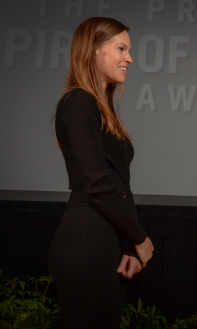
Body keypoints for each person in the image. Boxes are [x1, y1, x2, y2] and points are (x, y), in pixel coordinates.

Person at [48, 17, 154, 328]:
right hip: (87, 240)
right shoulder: (80, 101)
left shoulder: (96, 105)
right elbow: (98, 183)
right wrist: (140, 238)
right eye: (121, 48)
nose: (129, 59)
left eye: (129, 50)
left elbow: (118, 184)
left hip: (104, 239)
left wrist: (126, 246)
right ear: (94, 51)